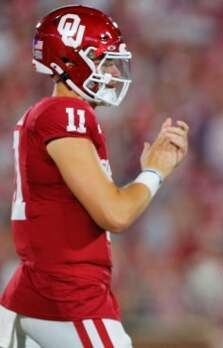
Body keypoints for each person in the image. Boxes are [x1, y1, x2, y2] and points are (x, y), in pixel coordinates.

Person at [0, 5, 188, 347]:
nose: (114, 70)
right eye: (104, 59)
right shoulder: (65, 111)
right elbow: (114, 213)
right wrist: (155, 172)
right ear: (70, 61)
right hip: (68, 299)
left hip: (37, 291)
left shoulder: (46, 114)